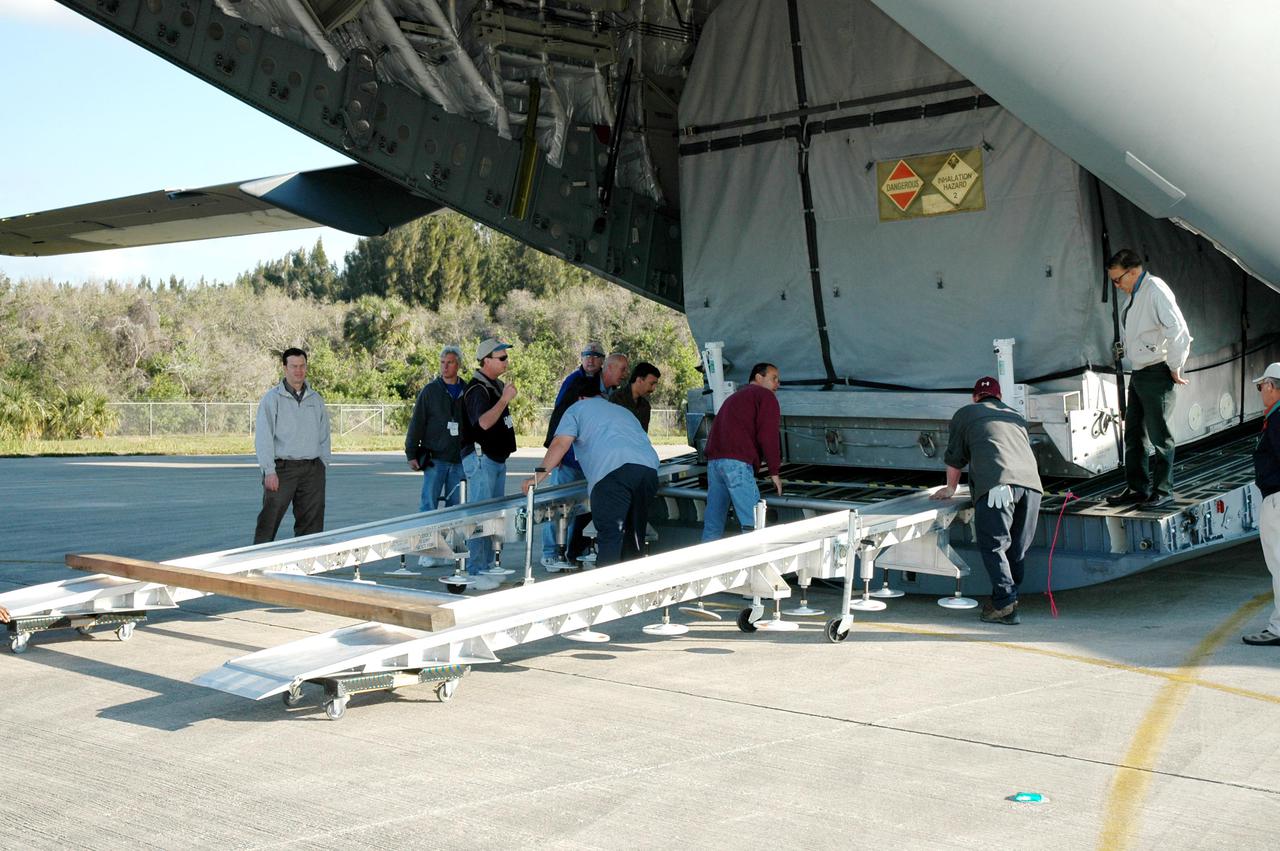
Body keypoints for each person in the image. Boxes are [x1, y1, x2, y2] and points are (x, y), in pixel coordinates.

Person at [932, 376, 1043, 625]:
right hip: (1032, 487)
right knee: (1016, 549)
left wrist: (950, 488)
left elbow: (955, 458)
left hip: (999, 485)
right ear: (999, 397)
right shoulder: (1015, 416)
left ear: (975, 397)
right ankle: (1006, 602)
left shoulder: (966, 413)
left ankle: (1004, 603)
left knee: (994, 545)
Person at [522, 375, 660, 566]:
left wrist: (537, 477)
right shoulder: (623, 411)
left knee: (611, 536)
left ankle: (608, 590)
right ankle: (632, 587)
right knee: (634, 536)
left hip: (613, 473)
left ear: (580, 397)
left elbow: (560, 443)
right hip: (649, 470)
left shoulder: (576, 409)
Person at [1105, 248, 1193, 509]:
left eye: (1118, 280)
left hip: (1156, 371)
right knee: (1133, 433)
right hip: (1140, 371)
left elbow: (1178, 330)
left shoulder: (1154, 290)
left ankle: (1163, 490)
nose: (1116, 285)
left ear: (1133, 272)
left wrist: (1175, 366)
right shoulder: (1136, 293)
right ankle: (1137, 487)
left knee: (1159, 435)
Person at [253, 347, 331, 544]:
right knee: (269, 519)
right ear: (284, 368)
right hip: (282, 470)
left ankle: (307, 564)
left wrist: (323, 463)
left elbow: (324, 434)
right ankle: (256, 562)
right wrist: (268, 470)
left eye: (302, 366)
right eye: (294, 366)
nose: (299, 371)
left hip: (312, 469)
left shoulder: (316, 399)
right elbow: (263, 437)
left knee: (312, 523)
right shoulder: (272, 399)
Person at [539, 341, 606, 568]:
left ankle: (571, 551)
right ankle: (550, 552)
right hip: (567, 459)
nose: (591, 359)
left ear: (603, 360)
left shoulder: (605, 384)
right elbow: (558, 415)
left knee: (583, 509)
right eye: (587, 355)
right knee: (559, 508)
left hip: (590, 461)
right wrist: (553, 453)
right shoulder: (572, 381)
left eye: (596, 355)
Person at [701, 362, 783, 541]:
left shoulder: (735, 397)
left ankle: (706, 565)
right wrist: (774, 471)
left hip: (715, 463)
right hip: (737, 463)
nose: (778, 384)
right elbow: (768, 435)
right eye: (774, 378)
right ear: (759, 378)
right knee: (752, 524)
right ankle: (754, 565)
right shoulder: (765, 396)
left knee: (713, 523)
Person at [461, 337, 518, 581]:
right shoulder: (478, 389)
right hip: (481, 459)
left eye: (506, 357)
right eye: (502, 358)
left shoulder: (494, 386)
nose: (507, 362)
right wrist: (504, 400)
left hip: (495, 458)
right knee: (481, 516)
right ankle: (476, 571)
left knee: (492, 516)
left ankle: (486, 566)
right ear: (486, 361)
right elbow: (483, 423)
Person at [405, 345, 467, 513]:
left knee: (455, 507)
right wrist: (411, 453)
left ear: (458, 365)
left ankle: (449, 540)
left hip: (460, 460)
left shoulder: (468, 391)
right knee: (428, 505)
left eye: (450, 362)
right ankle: (427, 538)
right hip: (435, 460)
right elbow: (417, 422)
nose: (445, 367)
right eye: (442, 362)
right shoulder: (430, 391)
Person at [1244, 363, 1280, 646]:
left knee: (1279, 566)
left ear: (1271, 386)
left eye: (1261, 387)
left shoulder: (1278, 420)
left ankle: (1279, 628)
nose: (1260, 392)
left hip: (1278, 499)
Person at [611, 362, 661, 432]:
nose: (653, 389)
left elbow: (643, 435)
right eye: (651, 384)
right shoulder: (616, 398)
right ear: (639, 380)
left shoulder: (645, 406)